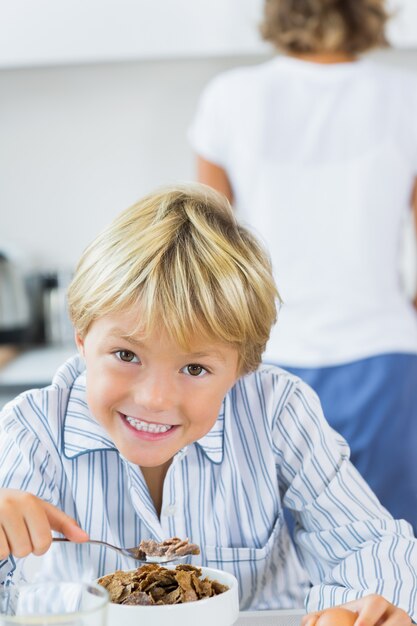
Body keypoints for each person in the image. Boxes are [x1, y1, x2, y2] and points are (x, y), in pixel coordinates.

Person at [0, 183, 416, 623]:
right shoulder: (34, 429)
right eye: (126, 356)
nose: (155, 399)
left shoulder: (275, 410)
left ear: (241, 368)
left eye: (194, 369)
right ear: (82, 339)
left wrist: (369, 602)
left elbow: (368, 544)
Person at [188, 0, 417, 535]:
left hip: (264, 358)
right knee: (390, 556)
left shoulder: (230, 96)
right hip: (384, 358)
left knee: (276, 569)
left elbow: (202, 246)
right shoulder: (405, 95)